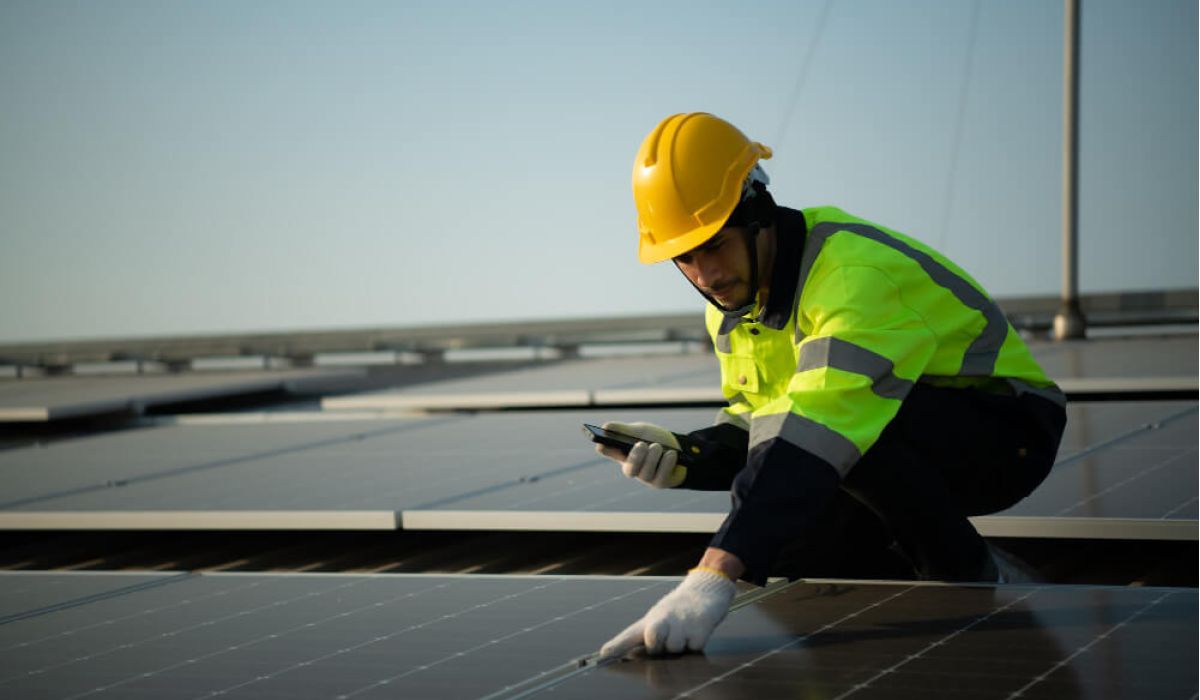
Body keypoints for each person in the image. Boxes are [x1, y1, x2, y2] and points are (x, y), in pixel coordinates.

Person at [595, 112, 1067, 660]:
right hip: (875, 425)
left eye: (716, 245)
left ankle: (975, 579)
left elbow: (823, 423)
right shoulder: (732, 306)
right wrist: (688, 457)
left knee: (834, 450)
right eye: (685, 257)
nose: (706, 274)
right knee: (794, 537)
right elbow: (760, 417)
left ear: (758, 215)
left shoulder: (851, 275)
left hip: (1006, 428)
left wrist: (712, 577)